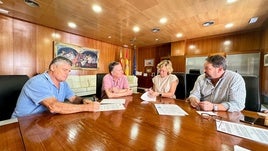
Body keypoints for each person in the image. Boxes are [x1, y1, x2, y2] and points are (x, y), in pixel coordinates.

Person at [12, 56, 100, 118]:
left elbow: (73, 98)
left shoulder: (63, 83)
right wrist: (86, 107)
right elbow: (54, 106)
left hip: (45, 120)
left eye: (69, 71)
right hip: (22, 123)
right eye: (65, 70)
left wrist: (83, 101)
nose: (67, 73)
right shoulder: (37, 81)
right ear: (53, 67)